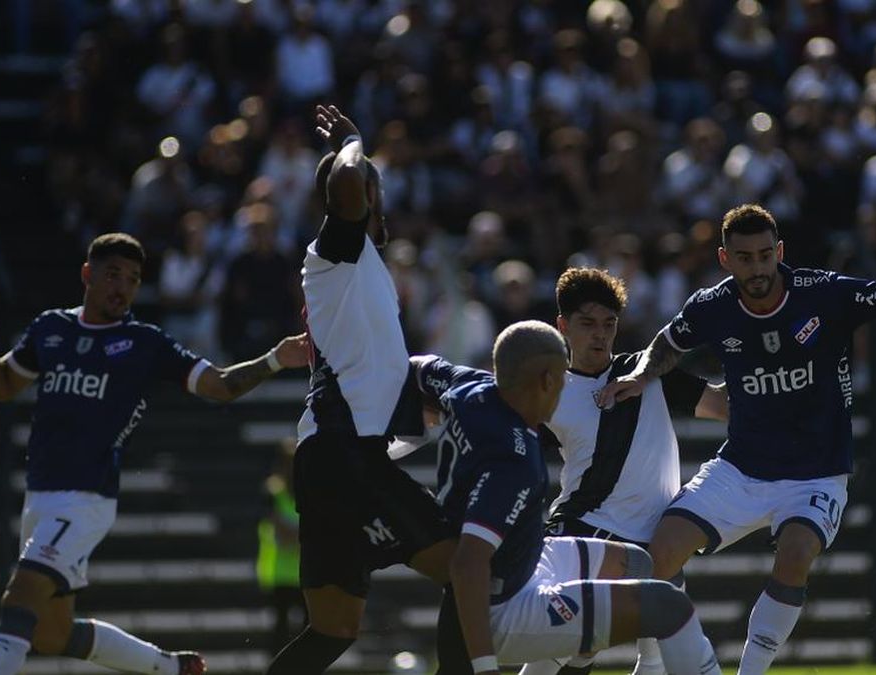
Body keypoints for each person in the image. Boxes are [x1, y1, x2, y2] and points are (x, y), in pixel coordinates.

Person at [597, 203, 876, 675]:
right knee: (661, 552)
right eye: (745, 257)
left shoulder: (823, 293)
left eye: (765, 255)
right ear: (725, 259)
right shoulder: (711, 307)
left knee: (795, 555)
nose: (757, 267)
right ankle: (651, 666)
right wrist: (645, 374)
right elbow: (669, 344)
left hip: (817, 473)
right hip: (741, 467)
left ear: (780, 252)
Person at [0, 232, 311, 675]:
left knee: (19, 600)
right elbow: (3, 388)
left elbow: (221, 386)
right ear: (87, 275)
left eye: (132, 279)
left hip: (85, 500)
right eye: (113, 275)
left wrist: (275, 359)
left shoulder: (145, 344)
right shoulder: (50, 329)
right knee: (51, 634)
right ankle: (169, 668)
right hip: (40, 498)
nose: (123, 288)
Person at [264, 105, 457, 674]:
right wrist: (353, 143)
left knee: (333, 629)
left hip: (339, 456)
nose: (374, 192)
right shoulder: (334, 255)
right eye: (370, 184)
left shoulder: (362, 265)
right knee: (469, 573)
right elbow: (346, 180)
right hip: (344, 456)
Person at [416, 320, 721, 675]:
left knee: (637, 564)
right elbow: (468, 564)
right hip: (508, 602)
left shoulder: (471, 390)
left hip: (528, 558)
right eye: (563, 378)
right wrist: (484, 668)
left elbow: (418, 368)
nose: (566, 388)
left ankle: (623, 659)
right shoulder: (513, 463)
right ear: (548, 380)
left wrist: (391, 431)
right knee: (670, 606)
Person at [520, 267, 729, 675]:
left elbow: (723, 408)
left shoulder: (647, 372)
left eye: (609, 323)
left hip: (655, 541)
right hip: (583, 530)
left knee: (656, 659)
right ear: (562, 326)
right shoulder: (549, 392)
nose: (600, 333)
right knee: (563, 653)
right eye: (587, 324)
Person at [256, 439, 307, 653]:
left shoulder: (311, 494)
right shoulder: (273, 494)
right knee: (281, 629)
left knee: (310, 628)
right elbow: (285, 538)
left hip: (307, 572)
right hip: (280, 573)